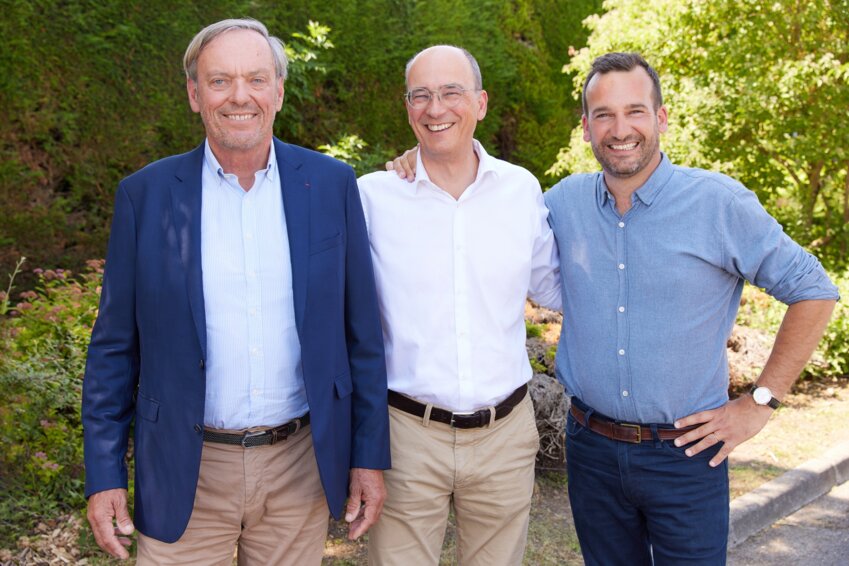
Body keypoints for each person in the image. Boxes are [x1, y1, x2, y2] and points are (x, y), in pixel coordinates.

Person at [81, 18, 389, 565]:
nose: (239, 96)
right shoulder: (144, 197)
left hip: (298, 467)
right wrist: (103, 475)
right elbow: (112, 350)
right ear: (195, 95)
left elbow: (361, 336)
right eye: (220, 81)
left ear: (279, 90)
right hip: (184, 470)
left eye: (255, 78)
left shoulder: (332, 185)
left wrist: (367, 457)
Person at [542, 52, 838, 565]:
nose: (620, 129)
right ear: (586, 128)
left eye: (635, 111)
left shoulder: (718, 204)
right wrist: (423, 162)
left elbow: (814, 290)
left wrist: (760, 402)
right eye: (603, 115)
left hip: (687, 454)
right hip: (590, 450)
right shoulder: (561, 203)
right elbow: (485, 205)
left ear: (660, 118)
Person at [357, 45, 561, 566]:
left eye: (451, 92)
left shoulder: (521, 190)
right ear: (407, 108)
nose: (436, 107)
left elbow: (556, 291)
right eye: (421, 95)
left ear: (481, 103)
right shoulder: (373, 198)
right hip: (405, 436)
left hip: (505, 434)